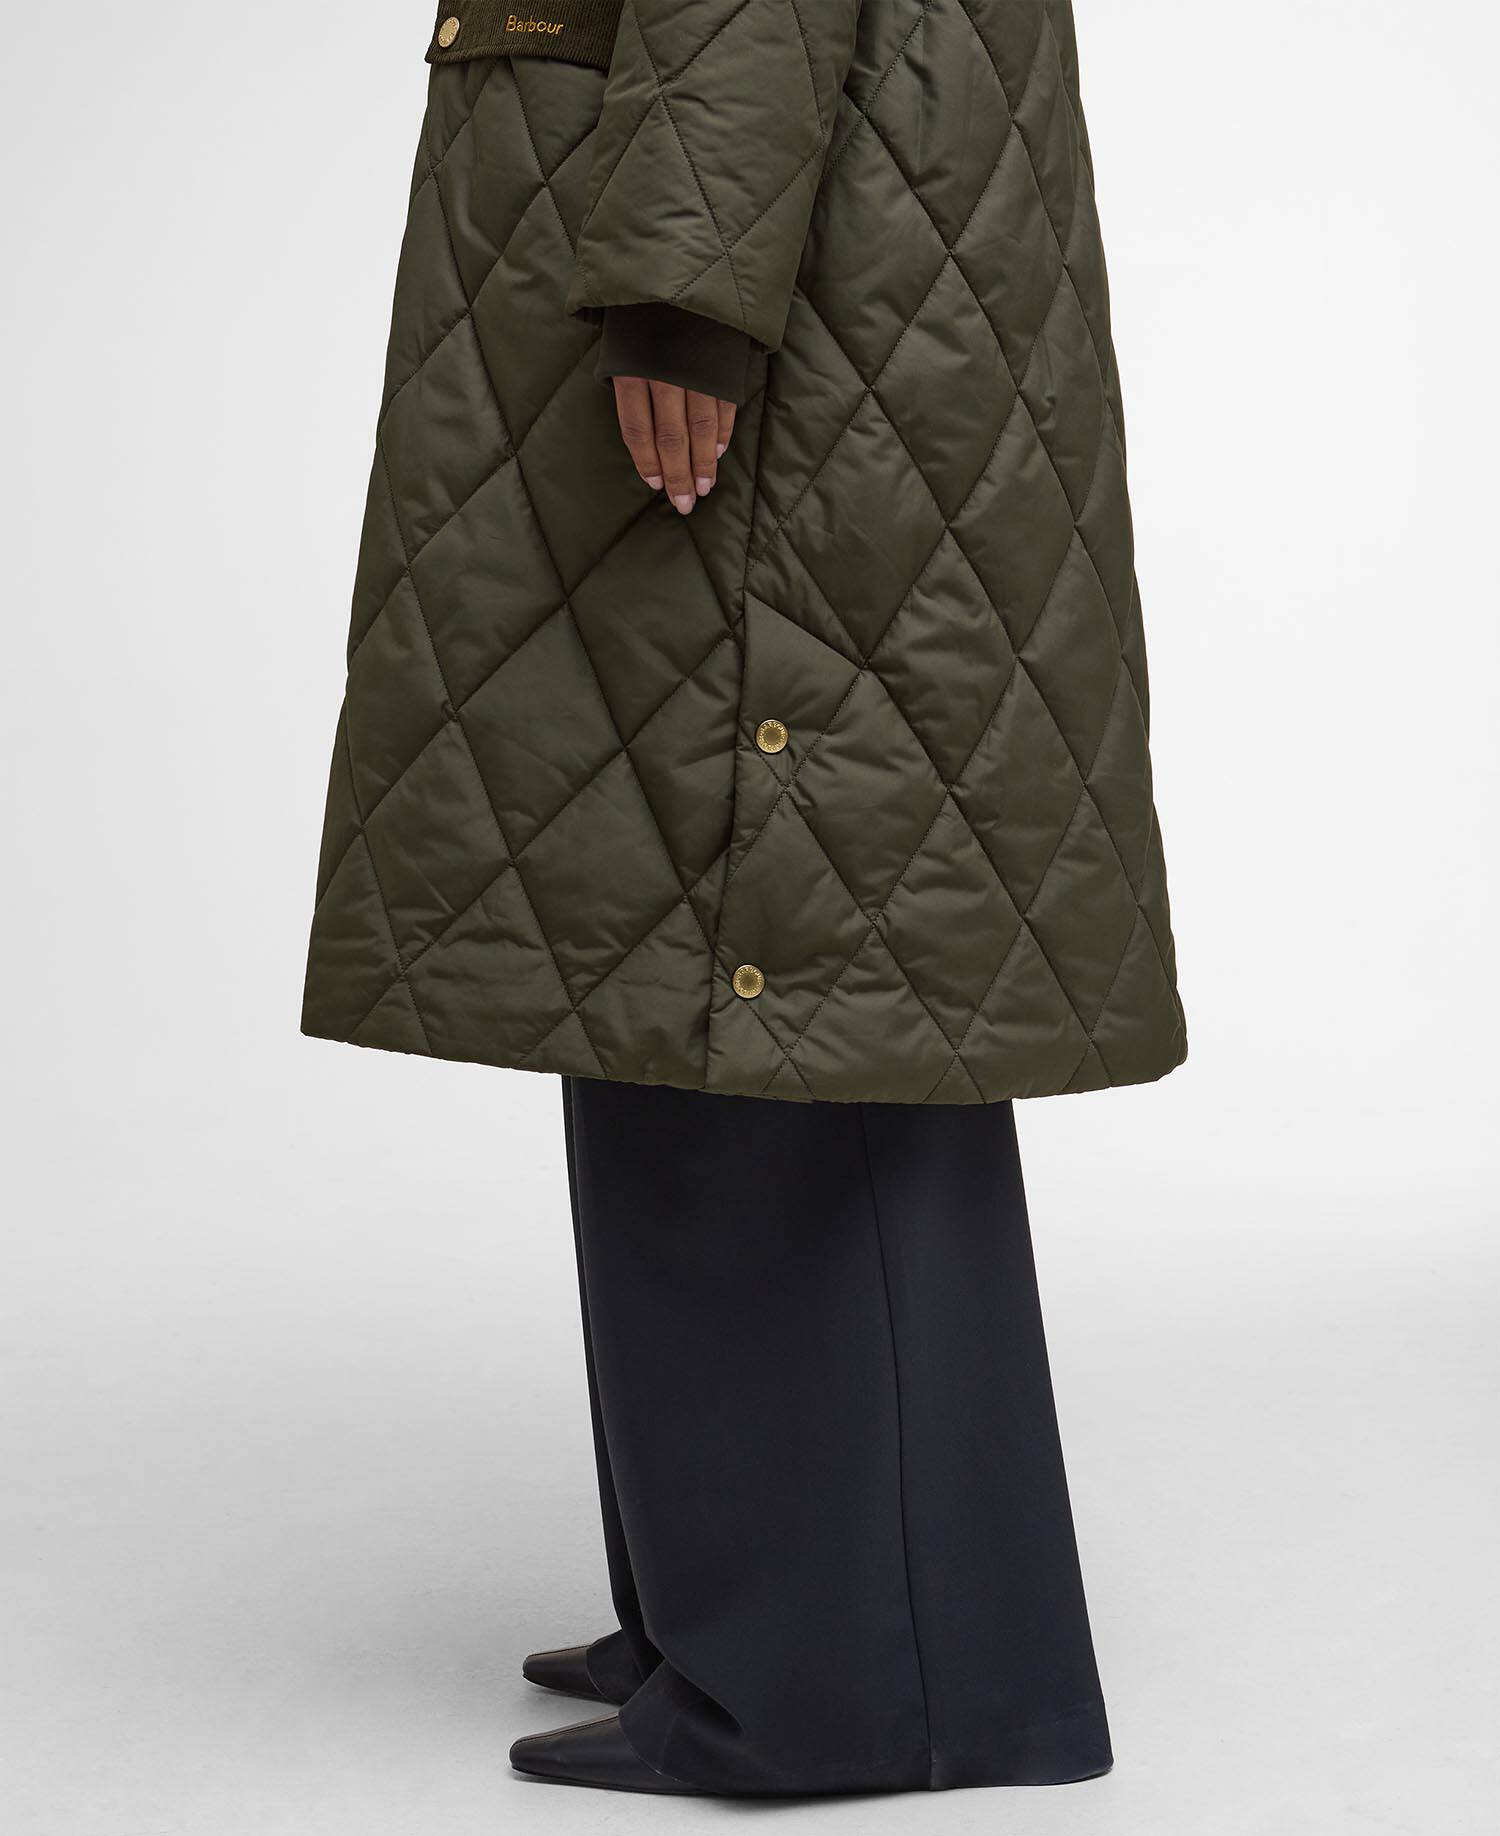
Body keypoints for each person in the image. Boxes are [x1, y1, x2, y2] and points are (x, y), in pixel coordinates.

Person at [301, 0, 1186, 1798]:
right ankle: (754, 1614)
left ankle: (831, 1682)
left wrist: (684, 285)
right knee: (667, 950)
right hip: (737, 205)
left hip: (756, 254)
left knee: (764, 954)